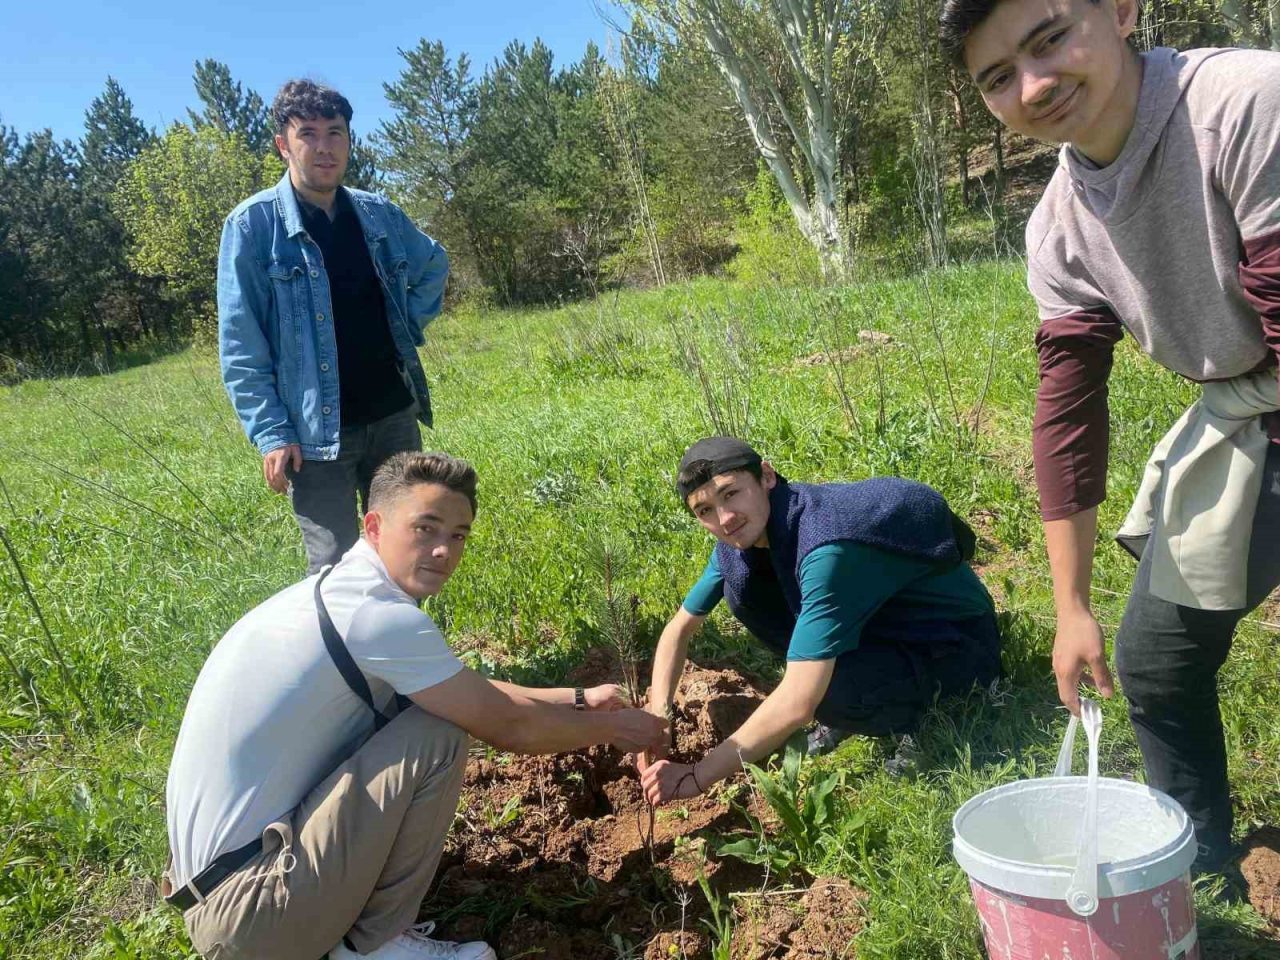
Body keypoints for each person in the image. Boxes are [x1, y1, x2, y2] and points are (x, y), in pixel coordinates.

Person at [940, 0, 1280, 871]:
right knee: (1155, 659)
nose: (1035, 84)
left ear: (1122, 10)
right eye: (998, 77)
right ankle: (1198, 869)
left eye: (1049, 38)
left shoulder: (1244, 103)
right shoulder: (1058, 227)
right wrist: (1070, 608)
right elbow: (1067, 416)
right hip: (1249, 412)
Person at [162, 451, 668, 960]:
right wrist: (619, 729)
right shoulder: (375, 617)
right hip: (254, 915)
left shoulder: (339, 592)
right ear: (375, 525)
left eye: (458, 534)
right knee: (438, 736)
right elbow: (510, 727)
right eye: (426, 528)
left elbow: (467, 689)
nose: (444, 550)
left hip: (221, 892)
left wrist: (581, 699)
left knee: (427, 712)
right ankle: (372, 946)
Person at [638, 437, 1000, 807]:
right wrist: (658, 719)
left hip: (958, 642)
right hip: (889, 624)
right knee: (740, 589)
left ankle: (921, 716)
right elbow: (679, 628)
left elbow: (798, 702)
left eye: (731, 494)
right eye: (705, 511)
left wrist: (698, 775)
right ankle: (864, 696)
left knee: (823, 692)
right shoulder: (750, 534)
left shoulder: (825, 548)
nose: (724, 520)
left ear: (766, 476)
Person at [218, 79, 450, 573]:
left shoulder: (377, 213)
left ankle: (406, 648)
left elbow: (433, 263)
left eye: (335, 133)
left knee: (409, 549)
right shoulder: (252, 227)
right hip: (316, 435)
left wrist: (405, 324)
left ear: (349, 140)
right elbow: (241, 345)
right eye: (308, 134)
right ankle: (344, 654)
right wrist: (272, 432)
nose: (324, 147)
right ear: (284, 144)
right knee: (335, 565)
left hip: (393, 415)